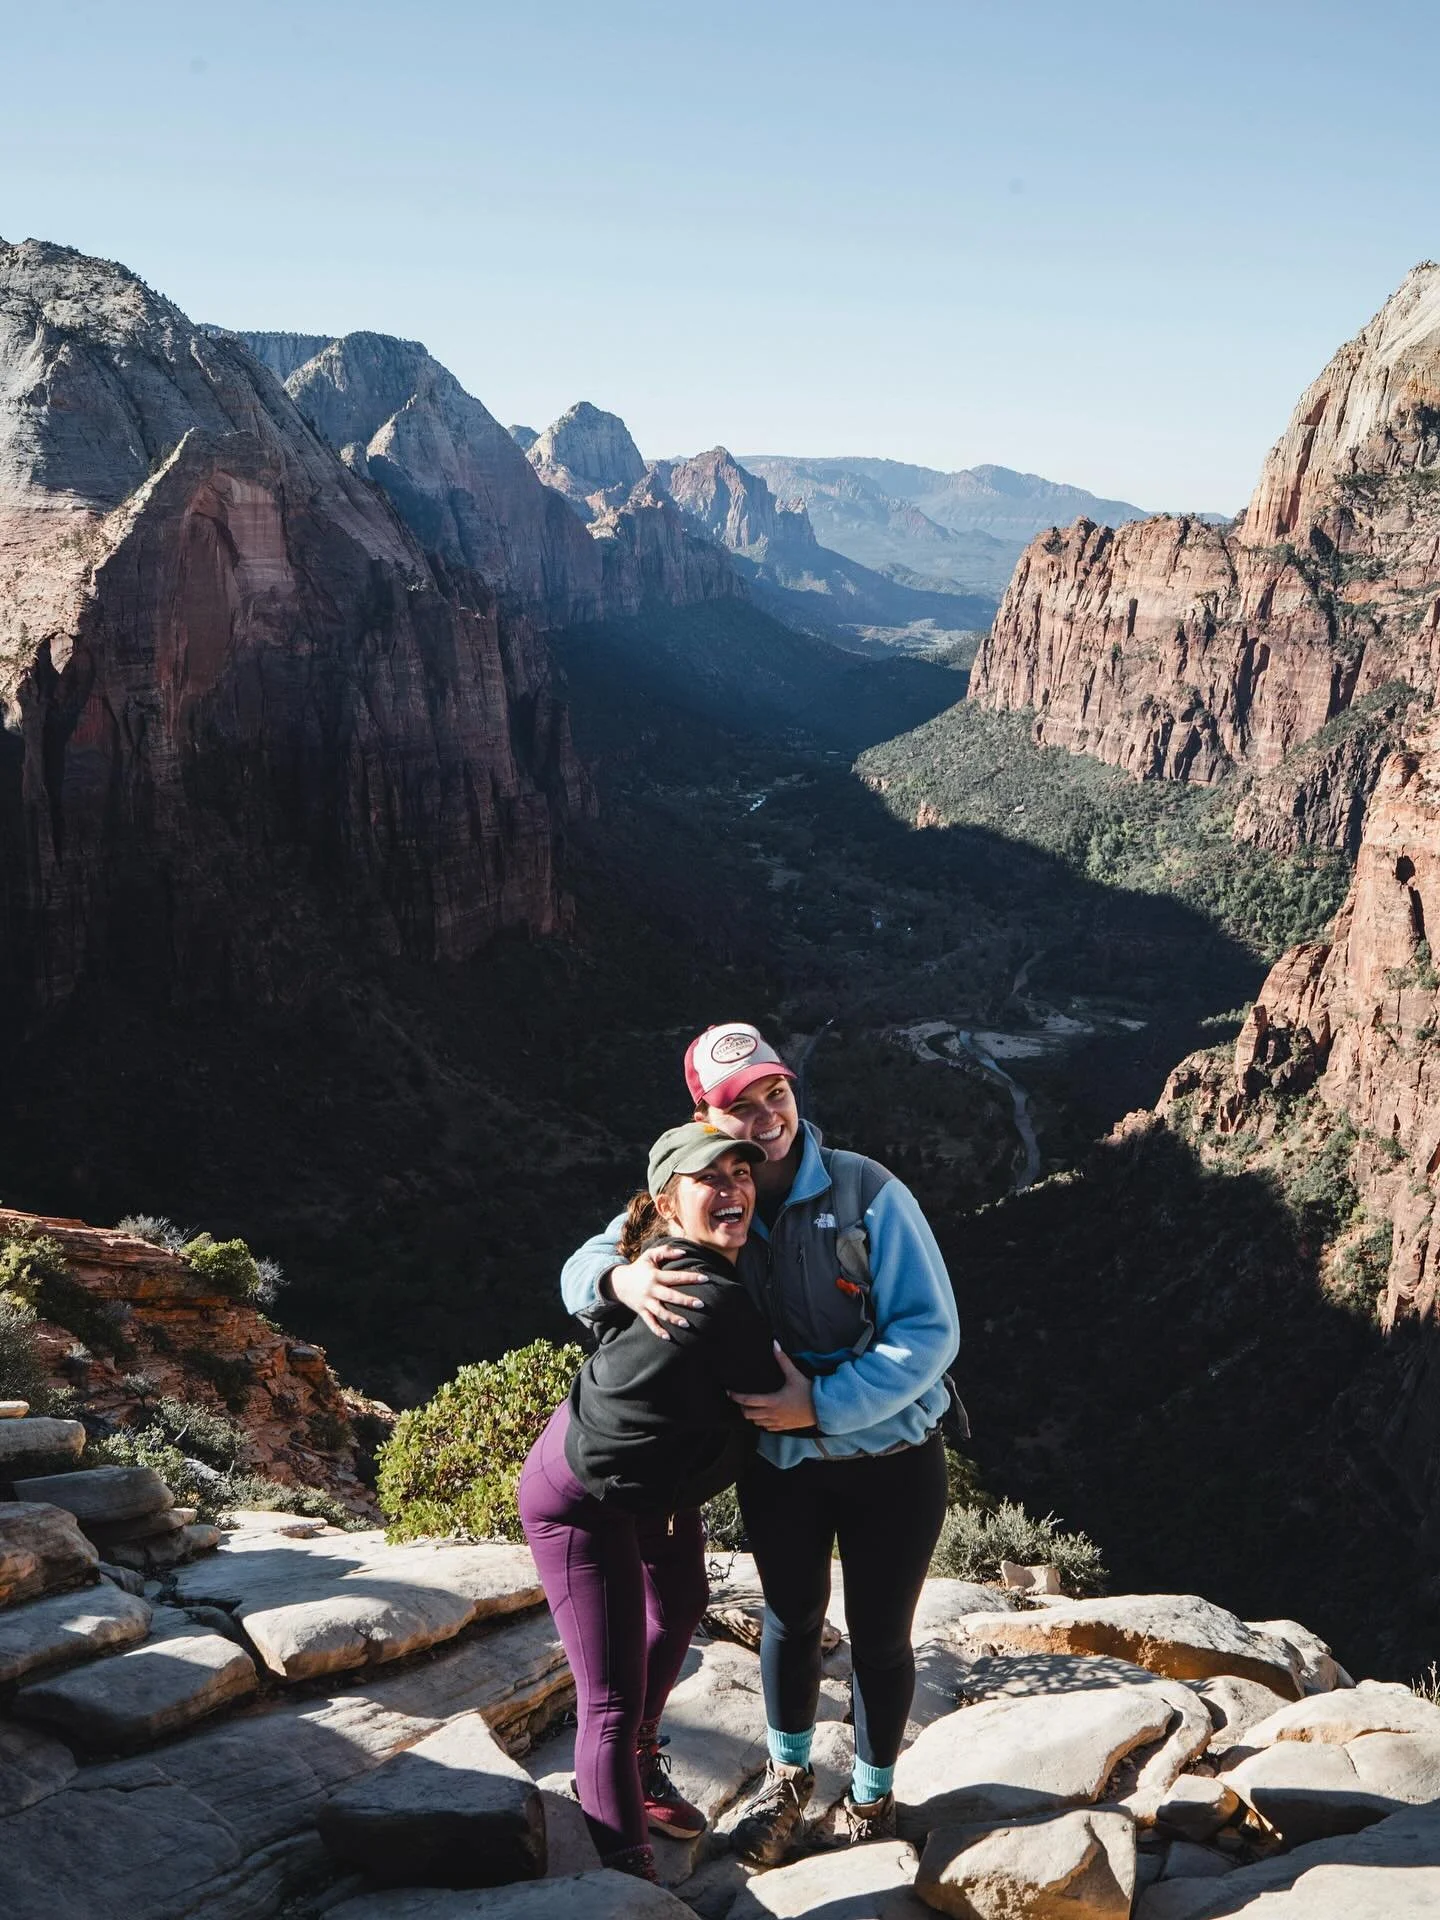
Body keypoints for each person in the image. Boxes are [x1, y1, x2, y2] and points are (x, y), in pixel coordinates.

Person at [561, 1021, 959, 1865]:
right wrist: (618, 1277)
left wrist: (821, 1403)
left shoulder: (866, 1190)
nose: (767, 1114)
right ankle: (787, 1782)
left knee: (881, 1637)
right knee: (791, 1619)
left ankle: (872, 1797)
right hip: (780, 1466)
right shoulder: (699, 1190)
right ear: (704, 1119)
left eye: (776, 1091)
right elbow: (586, 1259)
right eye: (740, 1105)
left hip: (892, 1459)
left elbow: (930, 1333)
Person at [519, 1122, 783, 1882]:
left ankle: (637, 1759)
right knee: (608, 1698)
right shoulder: (705, 1294)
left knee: (682, 1602)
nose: (733, 1189)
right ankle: (627, 1882)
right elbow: (776, 1394)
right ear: (667, 1203)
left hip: (650, 1484)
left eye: (741, 1173)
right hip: (581, 1498)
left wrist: (617, 1278)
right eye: (711, 1179)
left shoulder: (657, 1259)